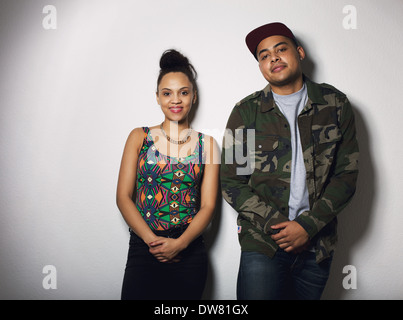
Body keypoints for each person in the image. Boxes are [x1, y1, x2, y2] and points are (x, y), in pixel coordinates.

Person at [220, 22, 359, 300]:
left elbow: (347, 175)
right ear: (261, 66)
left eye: (281, 49)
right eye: (264, 55)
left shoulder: (335, 104)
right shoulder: (246, 111)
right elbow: (232, 181)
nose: (273, 57)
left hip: (317, 245)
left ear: (300, 52)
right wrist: (278, 226)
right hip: (263, 244)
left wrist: (307, 227)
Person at [117, 49, 220, 300]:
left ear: (193, 97)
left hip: (189, 251)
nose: (176, 100)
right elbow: (123, 197)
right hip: (144, 248)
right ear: (157, 97)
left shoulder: (208, 145)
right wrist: (152, 241)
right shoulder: (138, 136)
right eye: (167, 93)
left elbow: (208, 206)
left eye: (184, 92)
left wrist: (180, 244)